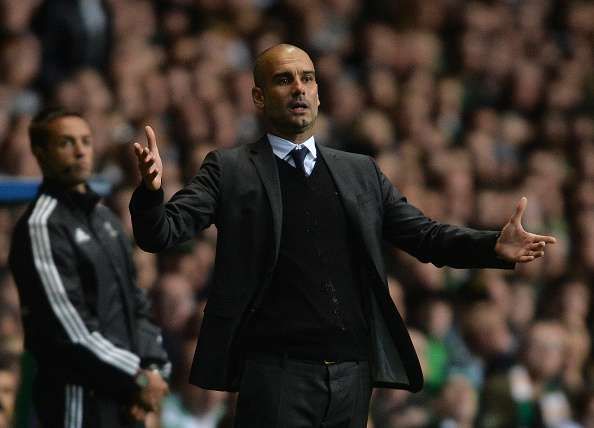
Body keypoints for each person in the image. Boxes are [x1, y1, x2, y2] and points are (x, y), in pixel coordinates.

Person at [129, 44, 556, 427]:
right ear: (259, 97)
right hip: (277, 374)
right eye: (283, 79)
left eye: (307, 78)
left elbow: (424, 236)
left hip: (352, 374)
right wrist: (150, 194)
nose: (298, 88)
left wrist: (491, 246)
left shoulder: (360, 171)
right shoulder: (230, 168)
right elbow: (162, 233)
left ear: (318, 93)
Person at [9, 108, 170, 428]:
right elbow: (69, 327)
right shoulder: (42, 225)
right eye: (66, 142)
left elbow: (136, 302)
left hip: (127, 398)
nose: (81, 150)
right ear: (40, 153)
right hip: (77, 400)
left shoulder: (105, 219)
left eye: (85, 141)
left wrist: (154, 368)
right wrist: (137, 377)